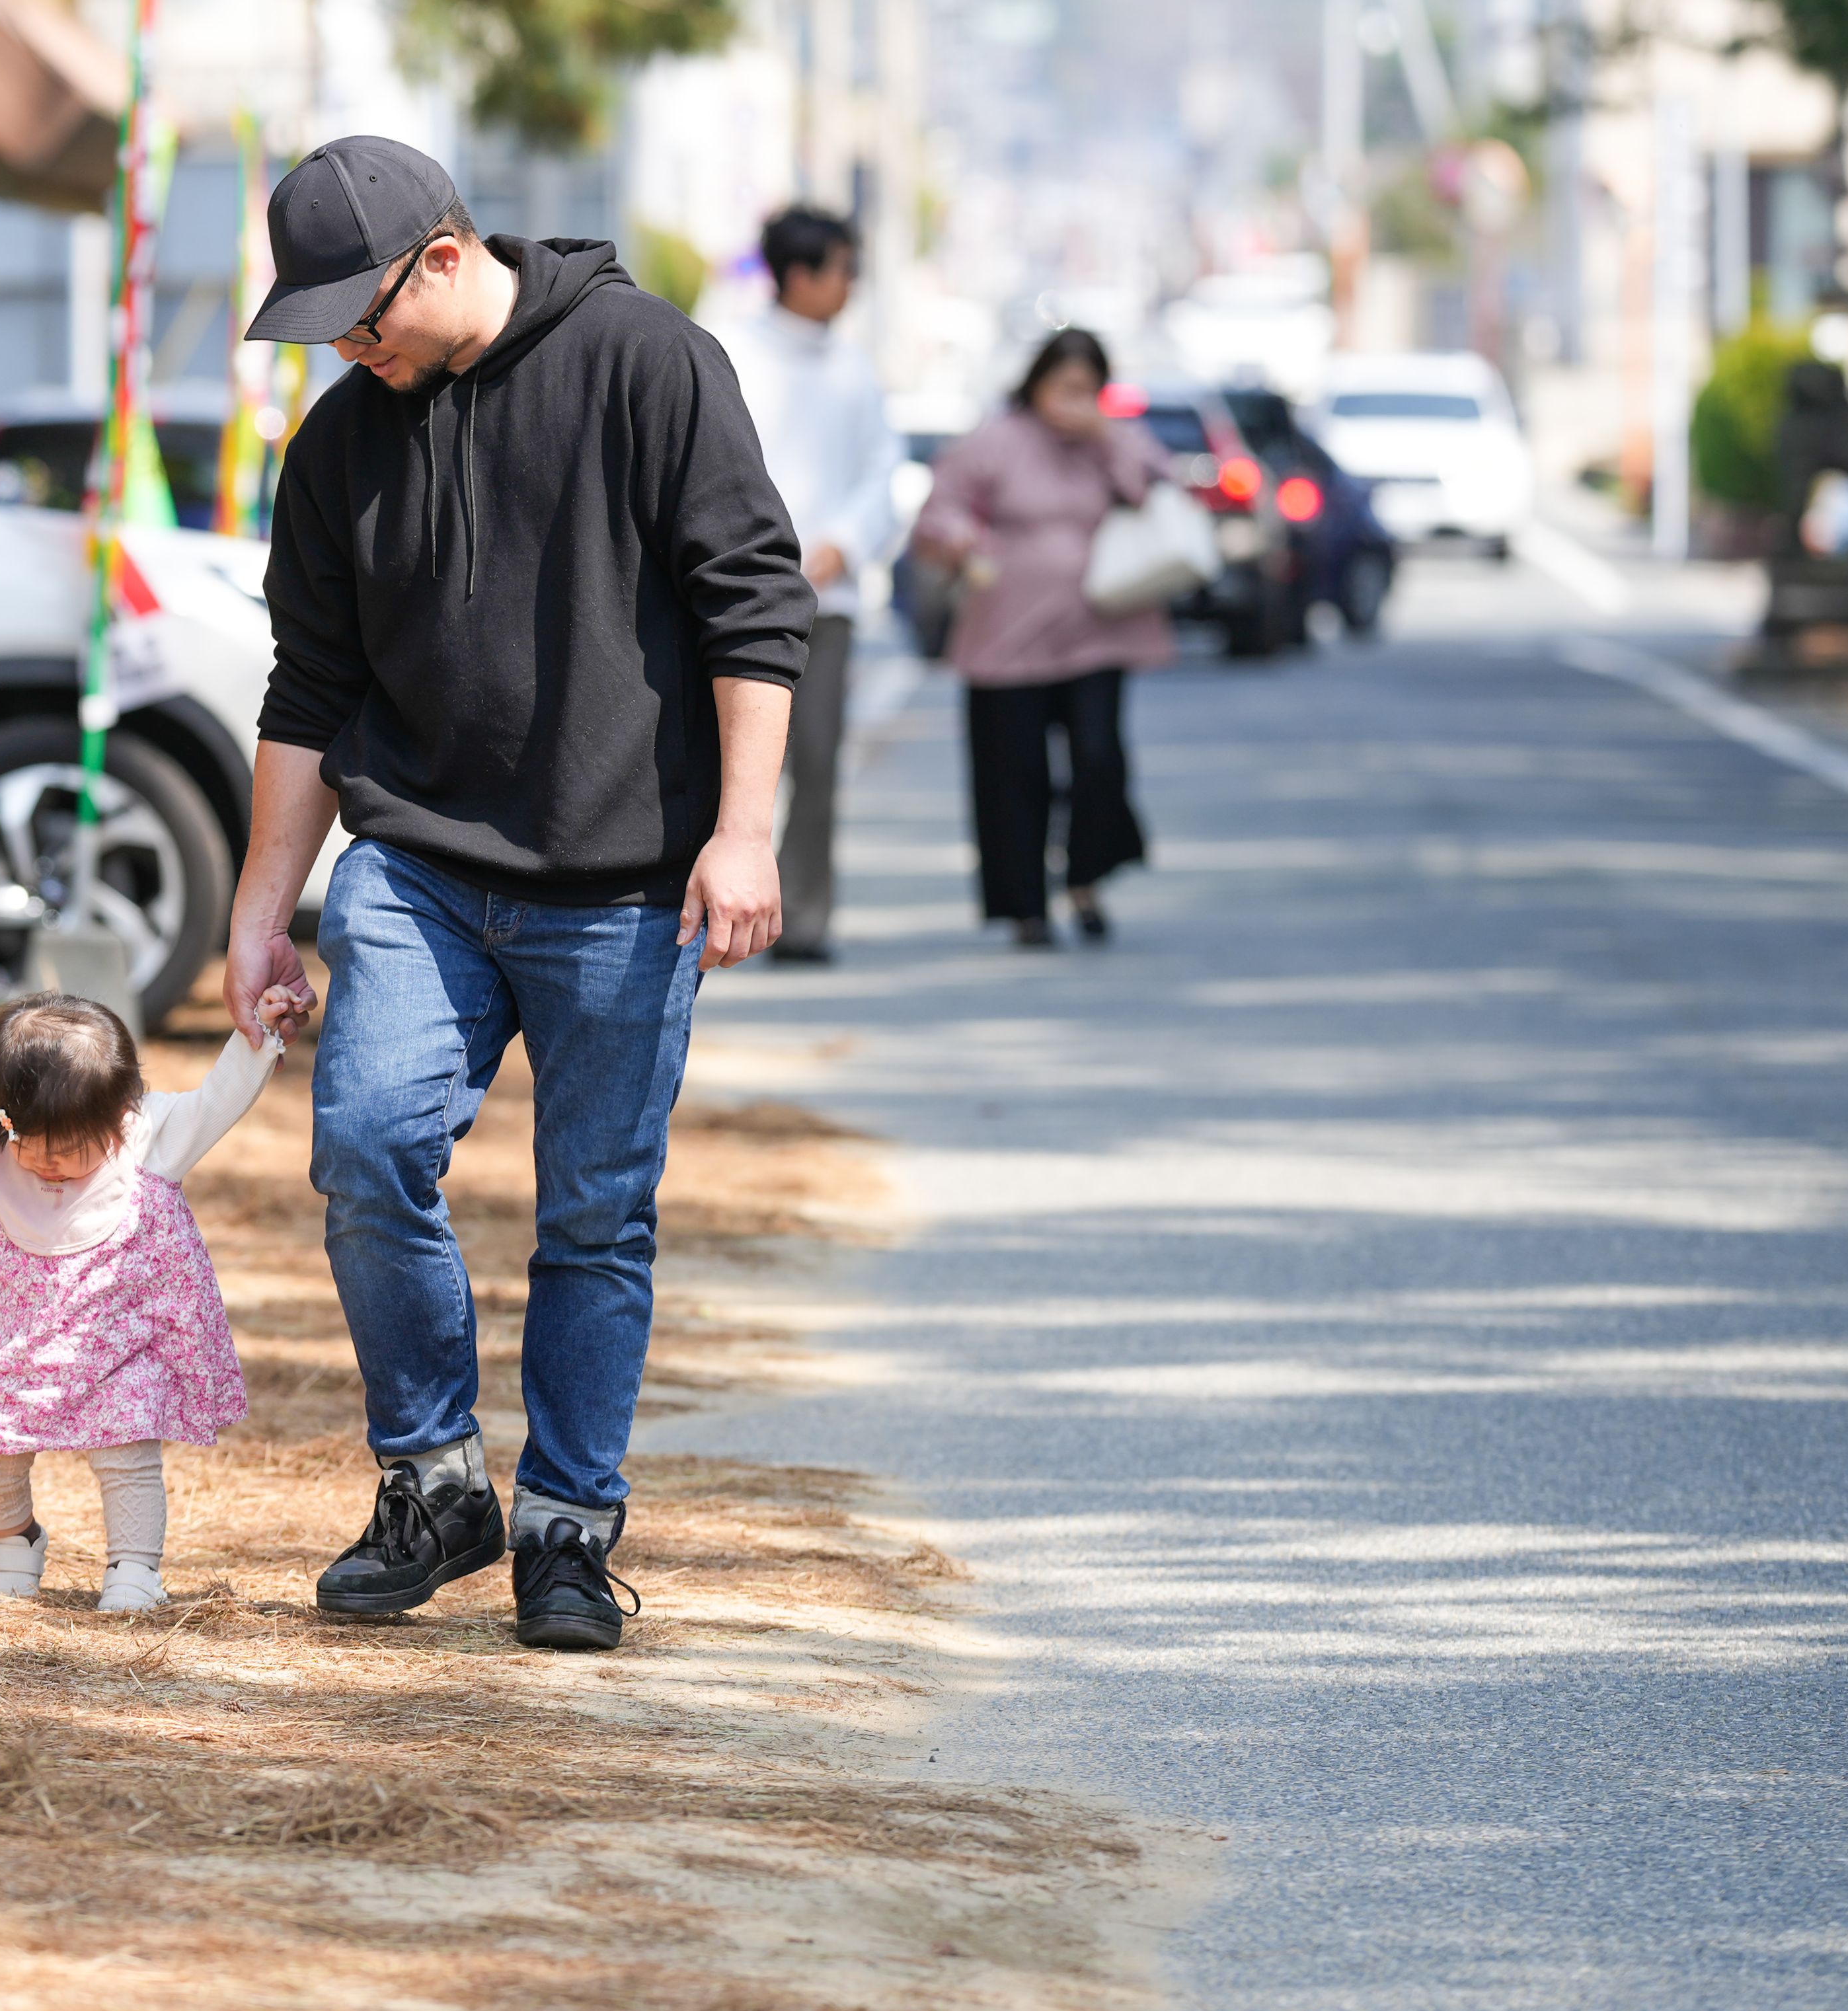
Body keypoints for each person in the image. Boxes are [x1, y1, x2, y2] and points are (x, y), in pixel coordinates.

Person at [222, 135, 812, 1654]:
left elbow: (753, 602)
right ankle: (430, 1484)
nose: (347, 352)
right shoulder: (342, 446)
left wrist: (743, 834)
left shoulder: (649, 366)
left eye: (361, 317)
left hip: (623, 884)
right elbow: (306, 693)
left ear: (438, 253)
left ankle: (563, 1529)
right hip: (413, 868)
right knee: (363, 1145)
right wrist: (256, 909)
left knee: (593, 1218)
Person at [0, 985, 303, 1614]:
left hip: (123, 1335)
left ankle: (134, 1567)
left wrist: (258, 1036)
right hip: (17, 1339)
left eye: (70, 1152)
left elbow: (220, 1097)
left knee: (126, 1449)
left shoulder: (151, 1135)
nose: (45, 1167)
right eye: (29, 1146)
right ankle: (14, 1541)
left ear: (117, 1112)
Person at [909, 326, 1169, 949]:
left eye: (1088, 389)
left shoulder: (1116, 442)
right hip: (1007, 636)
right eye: (1063, 387)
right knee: (1013, 772)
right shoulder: (995, 442)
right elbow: (938, 510)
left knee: (1099, 759)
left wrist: (1106, 435)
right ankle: (1025, 905)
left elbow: (1153, 491)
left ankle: (1087, 878)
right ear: (1036, 385)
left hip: (1097, 632)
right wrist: (962, 540)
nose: (1074, 401)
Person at [709, 206, 901, 965]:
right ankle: (700, 911)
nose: (851, 285)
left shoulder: (855, 368)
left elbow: (884, 474)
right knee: (717, 760)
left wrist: (843, 545)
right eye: (843, 269)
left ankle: (805, 918)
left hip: (828, 601)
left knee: (817, 761)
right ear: (799, 274)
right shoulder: (730, 354)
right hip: (731, 595)